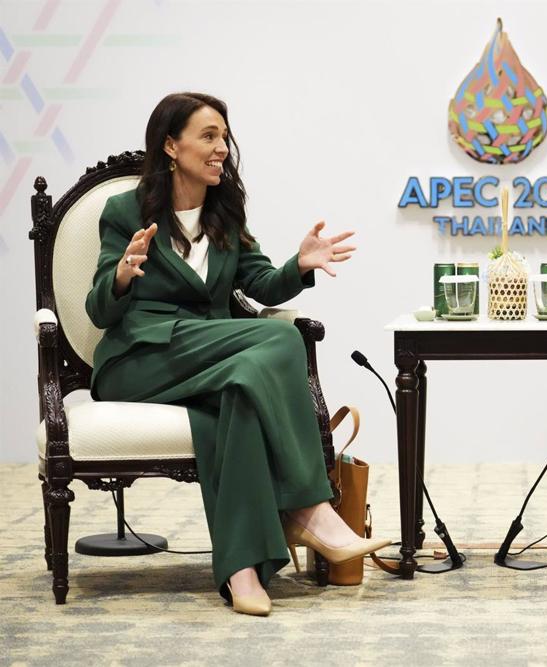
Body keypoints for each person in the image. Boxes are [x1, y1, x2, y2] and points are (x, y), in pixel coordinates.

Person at [85, 92, 391, 616]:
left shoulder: (225, 212)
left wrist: (300, 264)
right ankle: (310, 508)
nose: (221, 148)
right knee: (278, 339)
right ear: (170, 145)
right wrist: (119, 277)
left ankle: (243, 572)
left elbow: (263, 284)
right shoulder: (124, 212)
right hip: (140, 362)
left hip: (214, 363)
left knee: (242, 394)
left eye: (224, 137)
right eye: (208, 136)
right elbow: (98, 311)